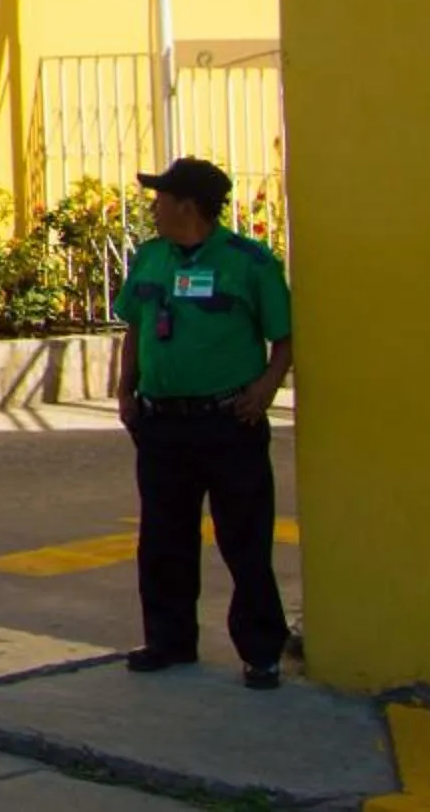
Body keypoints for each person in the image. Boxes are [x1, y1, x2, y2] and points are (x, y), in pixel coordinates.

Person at [113, 156, 294, 689]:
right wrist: (125, 390)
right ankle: (168, 641)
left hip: (228, 422)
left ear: (188, 206)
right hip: (162, 424)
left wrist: (266, 388)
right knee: (163, 538)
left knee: (245, 538)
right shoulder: (151, 258)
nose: (154, 208)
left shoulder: (248, 263)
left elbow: (284, 338)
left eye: (161, 199)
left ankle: (261, 651)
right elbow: (135, 328)